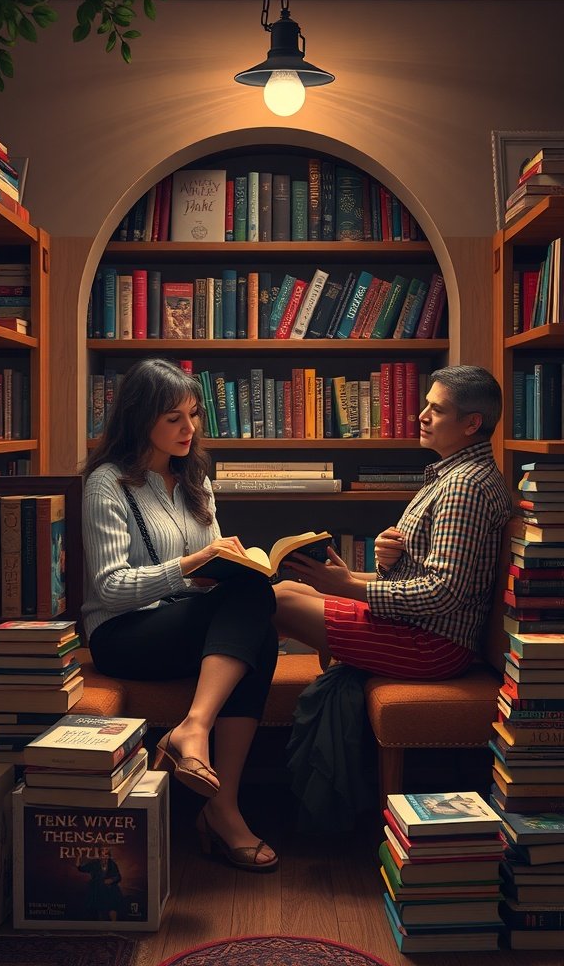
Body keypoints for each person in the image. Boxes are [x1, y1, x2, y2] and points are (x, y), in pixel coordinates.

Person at [81, 358, 279, 872]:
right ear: (139, 417)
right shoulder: (109, 483)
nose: (189, 429)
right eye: (174, 418)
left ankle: (217, 793)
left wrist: (232, 566)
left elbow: (214, 577)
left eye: (193, 415)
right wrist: (189, 566)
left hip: (181, 623)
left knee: (255, 600)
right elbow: (109, 587)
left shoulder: (195, 480)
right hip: (124, 634)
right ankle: (213, 785)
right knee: (255, 615)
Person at [274, 365, 512, 680]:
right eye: (426, 404)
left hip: (433, 645)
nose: (422, 416)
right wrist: (385, 566)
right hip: (413, 626)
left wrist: (348, 587)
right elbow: (426, 574)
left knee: (279, 601)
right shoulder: (452, 475)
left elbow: (443, 593)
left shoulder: (465, 485)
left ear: (472, 424)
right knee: (289, 587)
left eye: (437, 410)